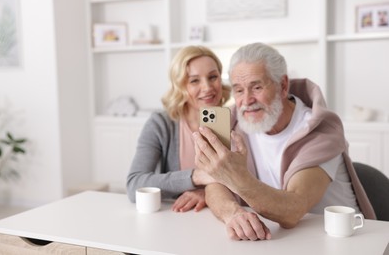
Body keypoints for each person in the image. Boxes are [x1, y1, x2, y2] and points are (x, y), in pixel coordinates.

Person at [192, 42, 376, 241]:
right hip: (279, 241)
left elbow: (292, 210)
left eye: (256, 87)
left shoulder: (320, 130)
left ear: (283, 86)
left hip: (340, 240)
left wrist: (234, 176)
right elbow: (214, 184)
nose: (246, 100)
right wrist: (233, 213)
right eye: (238, 90)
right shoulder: (235, 122)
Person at [126, 45, 230, 213]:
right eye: (194, 80)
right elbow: (134, 185)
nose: (208, 87)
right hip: (174, 217)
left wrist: (207, 192)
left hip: (220, 217)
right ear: (180, 86)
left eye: (213, 77)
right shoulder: (161, 124)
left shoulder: (233, 120)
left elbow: (244, 181)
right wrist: (196, 177)